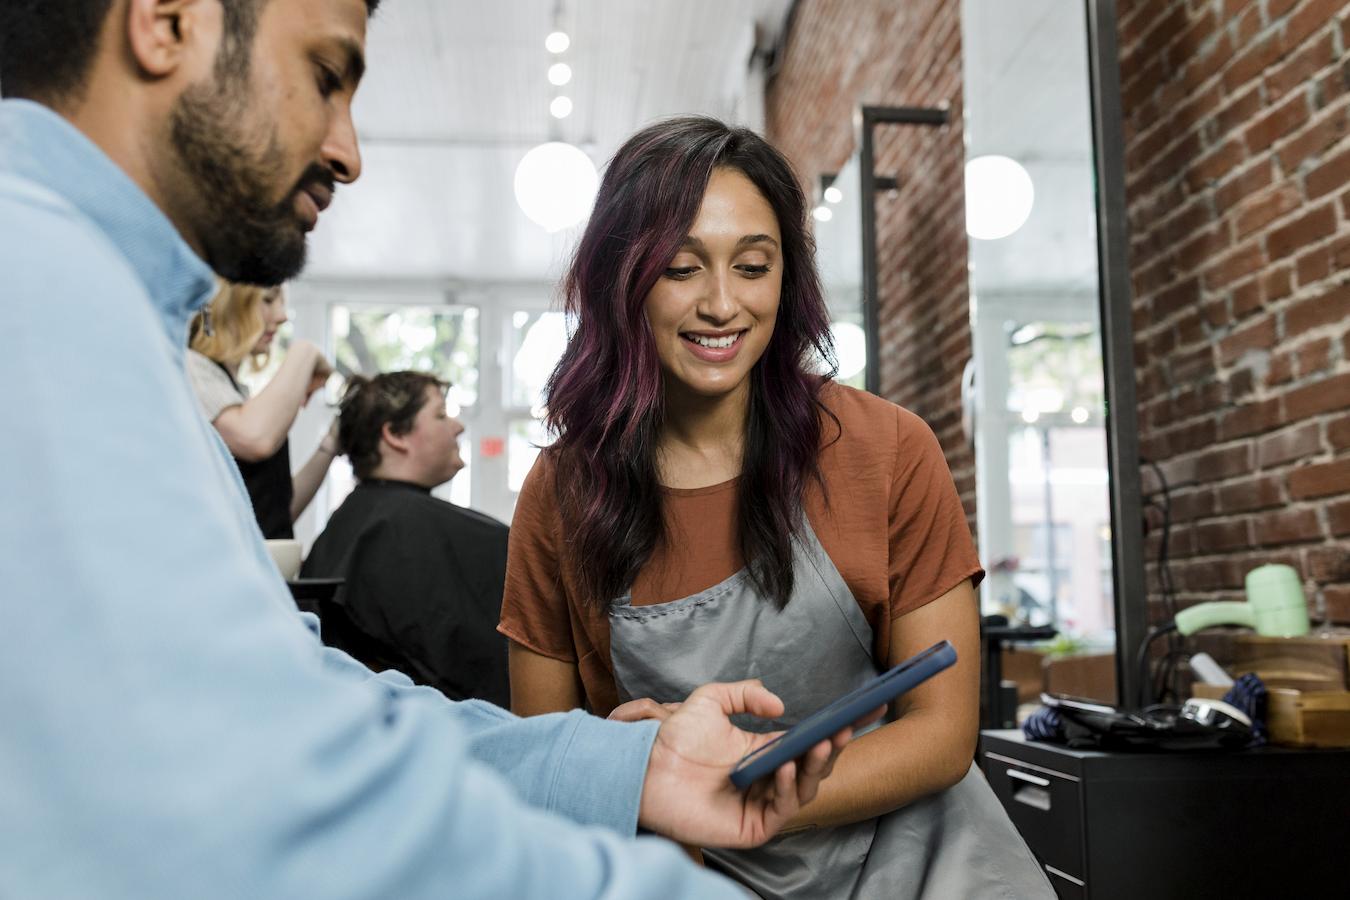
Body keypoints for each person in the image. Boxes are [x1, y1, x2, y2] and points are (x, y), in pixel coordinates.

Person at [0, 3, 873, 898]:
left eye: (752, 266)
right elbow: (251, 805)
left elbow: (296, 702)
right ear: (169, 20)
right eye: (325, 76)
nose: (348, 152)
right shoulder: (39, 301)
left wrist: (626, 769)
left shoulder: (105, 318)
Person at [499, 117, 1054, 898]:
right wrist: (618, 773)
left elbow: (941, 732)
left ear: (786, 277)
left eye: (753, 266)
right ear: (621, 281)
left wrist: (742, 794)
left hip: (921, 866)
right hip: (690, 877)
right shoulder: (562, 495)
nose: (723, 304)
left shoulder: (885, 449)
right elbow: (545, 762)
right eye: (681, 270)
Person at [301, 371, 511, 706]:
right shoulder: (395, 528)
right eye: (441, 415)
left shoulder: (357, 523)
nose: (458, 426)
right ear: (396, 434)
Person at [187, 280, 336, 539]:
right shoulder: (190, 368)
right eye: (268, 300)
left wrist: (331, 444)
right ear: (224, 304)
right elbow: (254, 439)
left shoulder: (234, 394)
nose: (281, 316)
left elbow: (273, 515)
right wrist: (305, 351)